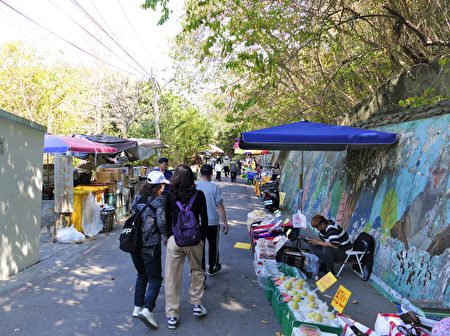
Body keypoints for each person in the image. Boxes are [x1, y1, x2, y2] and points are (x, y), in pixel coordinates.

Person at [164, 165, 209, 330]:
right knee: (197, 271)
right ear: (192, 178)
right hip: (194, 240)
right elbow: (204, 219)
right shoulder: (199, 195)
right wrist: (201, 239)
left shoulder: (170, 195)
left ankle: (172, 315)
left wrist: (169, 235)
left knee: (172, 278)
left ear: (175, 178)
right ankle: (197, 304)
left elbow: (167, 218)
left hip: (175, 240)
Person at [131, 171, 170, 329]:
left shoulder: (137, 198)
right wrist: (165, 235)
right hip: (150, 244)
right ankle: (147, 309)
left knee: (141, 275)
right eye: (162, 185)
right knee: (155, 278)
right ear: (158, 186)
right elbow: (161, 221)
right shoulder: (159, 200)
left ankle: (137, 307)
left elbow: (134, 213)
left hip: (135, 244)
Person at [196, 164, 230, 276]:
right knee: (213, 245)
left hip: (198, 222)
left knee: (199, 247)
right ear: (211, 174)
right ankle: (212, 267)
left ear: (200, 173)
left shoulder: (194, 186)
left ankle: (199, 272)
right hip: (212, 222)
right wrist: (225, 222)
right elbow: (220, 206)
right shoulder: (214, 187)